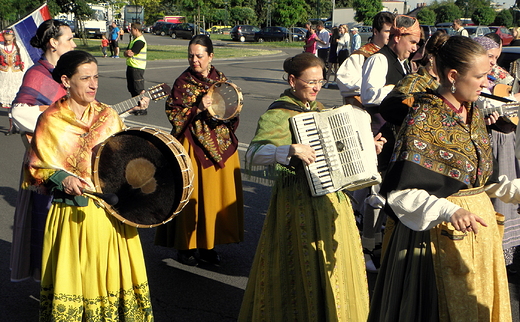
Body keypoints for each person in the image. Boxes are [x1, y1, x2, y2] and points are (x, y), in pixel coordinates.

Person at [368, 35, 517, 321]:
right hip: (434, 240)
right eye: (480, 77)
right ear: (452, 75)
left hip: (478, 239)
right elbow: (401, 194)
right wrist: (451, 210)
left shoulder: (471, 112)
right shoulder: (423, 118)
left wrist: (513, 190)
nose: (486, 84)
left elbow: (478, 180)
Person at [238, 52, 386, 321]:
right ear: (293, 81)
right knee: (301, 263)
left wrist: (369, 148)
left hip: (332, 199)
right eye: (311, 82)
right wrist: (288, 150)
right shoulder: (279, 113)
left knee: (335, 262)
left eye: (321, 81)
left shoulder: (320, 111)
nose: (317, 87)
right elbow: (253, 154)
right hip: (297, 202)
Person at [24, 50, 151, 320]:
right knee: (77, 282)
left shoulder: (108, 116)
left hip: (111, 214)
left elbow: (125, 158)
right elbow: (38, 167)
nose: (93, 84)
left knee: (111, 279)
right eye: (85, 78)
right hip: (73, 216)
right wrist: (63, 178)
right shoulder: (50, 121)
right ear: (66, 81)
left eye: (96, 77)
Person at [154, 35, 244, 266]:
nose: (194, 60)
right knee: (191, 196)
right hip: (191, 144)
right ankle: (186, 246)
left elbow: (231, 111)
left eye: (199, 56)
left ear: (211, 56)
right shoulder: (182, 82)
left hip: (220, 146)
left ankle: (208, 244)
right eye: (191, 55)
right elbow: (175, 115)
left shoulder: (221, 79)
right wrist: (197, 108)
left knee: (213, 199)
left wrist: (229, 112)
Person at [9, 19, 76, 283]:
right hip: (46, 162)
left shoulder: (66, 73)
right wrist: (57, 121)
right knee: (46, 224)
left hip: (68, 158)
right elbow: (19, 112)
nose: (73, 43)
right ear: (53, 43)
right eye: (69, 39)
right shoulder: (38, 74)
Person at [474, 34, 520, 274]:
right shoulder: (474, 79)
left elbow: (512, 97)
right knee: (493, 192)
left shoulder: (500, 75)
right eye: (490, 57)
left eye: (495, 58)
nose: (493, 62)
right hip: (490, 140)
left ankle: (505, 252)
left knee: (506, 194)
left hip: (506, 138)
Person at [337, 11, 394, 105]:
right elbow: (344, 80)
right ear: (375, 31)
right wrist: (372, 86)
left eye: (393, 32)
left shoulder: (395, 56)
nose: (391, 36)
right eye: (387, 31)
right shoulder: (361, 55)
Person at [0, 28, 25, 135]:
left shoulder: (18, 47)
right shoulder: (0, 46)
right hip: (4, 75)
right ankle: (11, 126)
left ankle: (18, 124)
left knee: (17, 100)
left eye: (9, 40)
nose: (7, 42)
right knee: (8, 101)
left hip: (16, 75)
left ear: (13, 38)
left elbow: (24, 61)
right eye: (6, 40)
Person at [124, 22, 147, 115]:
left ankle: (143, 108)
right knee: (132, 88)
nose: (130, 31)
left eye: (132, 29)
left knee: (138, 89)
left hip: (137, 67)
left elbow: (130, 53)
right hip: (131, 66)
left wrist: (128, 53)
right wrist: (127, 53)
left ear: (136, 29)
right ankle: (136, 106)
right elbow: (126, 52)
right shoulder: (134, 40)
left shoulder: (140, 41)